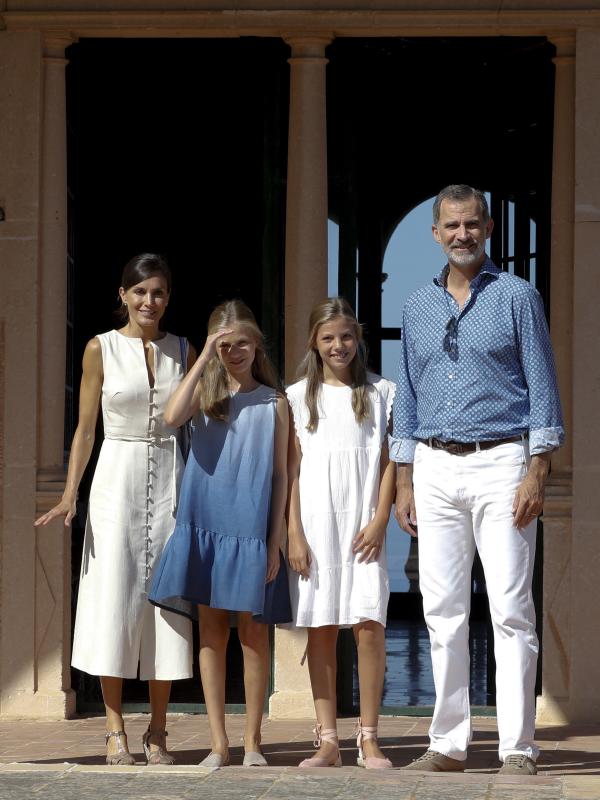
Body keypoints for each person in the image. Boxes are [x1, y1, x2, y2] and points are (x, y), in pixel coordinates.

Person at [391, 185, 564, 775]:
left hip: (502, 463)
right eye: (451, 226)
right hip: (434, 465)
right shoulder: (416, 306)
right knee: (441, 608)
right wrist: (405, 479)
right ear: (435, 234)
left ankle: (517, 748)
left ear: (488, 229)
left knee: (512, 609)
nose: (462, 234)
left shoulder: (518, 297)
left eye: (472, 224)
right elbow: (407, 396)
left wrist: (537, 469)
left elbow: (544, 389)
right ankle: (448, 744)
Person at [35, 253, 194, 765]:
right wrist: (69, 493)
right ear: (123, 295)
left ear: (168, 299)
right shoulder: (99, 349)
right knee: (113, 601)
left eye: (160, 293)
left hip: (172, 477)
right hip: (115, 479)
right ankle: (114, 729)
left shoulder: (183, 350)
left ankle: (159, 731)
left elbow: (197, 424)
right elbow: (85, 429)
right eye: (141, 292)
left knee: (167, 605)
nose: (150, 302)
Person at [149, 300, 291, 768]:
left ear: (257, 345)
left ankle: (252, 742)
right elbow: (171, 417)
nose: (234, 352)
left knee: (253, 636)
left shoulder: (275, 403)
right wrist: (205, 353)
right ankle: (218, 742)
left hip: (250, 529)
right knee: (211, 634)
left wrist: (275, 541)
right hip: (206, 524)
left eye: (241, 343)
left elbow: (280, 477)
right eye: (225, 345)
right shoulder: (203, 400)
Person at [286, 297, 396, 769]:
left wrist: (380, 519)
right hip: (315, 526)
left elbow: (391, 461)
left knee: (369, 625)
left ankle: (369, 736)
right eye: (328, 337)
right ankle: (327, 739)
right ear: (314, 341)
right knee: (322, 628)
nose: (338, 346)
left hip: (362, 526)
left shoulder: (381, 392)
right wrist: (294, 533)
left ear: (359, 339)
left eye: (346, 337)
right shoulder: (294, 398)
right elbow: (289, 473)